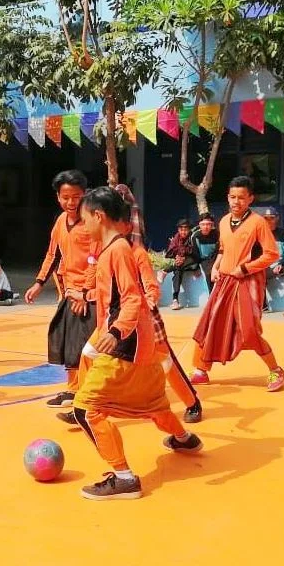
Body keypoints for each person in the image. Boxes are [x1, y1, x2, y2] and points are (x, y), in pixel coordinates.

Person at [72, 186, 202, 501]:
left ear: (99, 216)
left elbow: (132, 298)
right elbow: (115, 295)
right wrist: (88, 295)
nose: (83, 226)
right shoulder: (112, 249)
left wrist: (116, 331)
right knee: (153, 405)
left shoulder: (118, 250)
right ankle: (183, 438)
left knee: (86, 410)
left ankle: (124, 478)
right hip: (140, 345)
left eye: (84, 219)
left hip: (125, 346)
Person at [189, 176, 284, 392]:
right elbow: (223, 248)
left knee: (248, 329)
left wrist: (245, 268)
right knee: (210, 324)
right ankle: (201, 370)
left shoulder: (258, 223)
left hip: (247, 282)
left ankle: (276, 370)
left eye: (241, 197)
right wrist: (216, 267)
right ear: (227, 197)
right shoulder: (224, 221)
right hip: (225, 281)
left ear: (250, 198)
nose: (236, 201)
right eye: (233, 197)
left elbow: (271, 254)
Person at [24, 170, 97, 409]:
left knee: (86, 347)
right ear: (58, 197)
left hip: (89, 294)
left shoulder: (92, 222)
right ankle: (73, 390)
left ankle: (87, 394)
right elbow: (52, 254)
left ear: (85, 194)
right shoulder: (60, 221)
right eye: (66, 197)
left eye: (76, 196)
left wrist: (85, 293)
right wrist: (38, 283)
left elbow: (96, 259)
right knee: (69, 344)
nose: (71, 202)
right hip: (69, 291)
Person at [158, 219, 198, 310]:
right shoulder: (176, 239)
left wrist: (184, 256)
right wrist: (177, 257)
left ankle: (165, 271)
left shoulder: (192, 237)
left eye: (185, 229)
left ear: (189, 230)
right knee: (178, 270)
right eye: (181, 230)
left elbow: (195, 253)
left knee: (180, 264)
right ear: (178, 230)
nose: (183, 232)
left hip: (193, 261)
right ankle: (175, 300)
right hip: (180, 264)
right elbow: (170, 253)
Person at [262, 207, 284, 312]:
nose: (269, 220)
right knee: (257, 275)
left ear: (277, 218)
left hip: (281, 264)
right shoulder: (260, 234)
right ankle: (263, 305)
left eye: (272, 218)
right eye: (266, 218)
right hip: (265, 266)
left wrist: (282, 264)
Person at [191, 213, 219, 292]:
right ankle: (212, 295)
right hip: (204, 260)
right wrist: (196, 267)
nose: (206, 227)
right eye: (203, 224)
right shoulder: (195, 236)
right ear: (199, 225)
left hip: (216, 258)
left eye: (208, 224)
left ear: (212, 225)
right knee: (209, 273)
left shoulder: (217, 234)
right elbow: (195, 254)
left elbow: (219, 250)